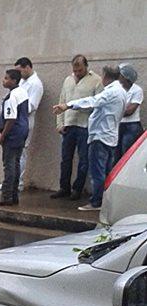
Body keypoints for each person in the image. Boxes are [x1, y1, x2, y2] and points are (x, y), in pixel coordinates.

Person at [53, 65, 126, 211]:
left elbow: (92, 101)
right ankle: (104, 200)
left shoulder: (111, 92)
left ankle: (96, 202)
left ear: (105, 77)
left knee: (97, 172)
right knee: (106, 171)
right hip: (110, 136)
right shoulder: (121, 91)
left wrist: (68, 105)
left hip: (100, 136)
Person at [51, 54, 103, 199]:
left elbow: (97, 104)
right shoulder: (68, 80)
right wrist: (59, 123)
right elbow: (62, 101)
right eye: (75, 71)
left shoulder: (96, 81)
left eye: (80, 70)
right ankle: (64, 187)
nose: (77, 73)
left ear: (86, 67)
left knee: (84, 159)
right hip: (68, 125)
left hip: (84, 126)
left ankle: (77, 189)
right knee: (65, 159)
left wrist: (79, 108)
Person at [0, 57, 43, 191]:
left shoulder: (35, 84)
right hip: (17, 122)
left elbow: (31, 105)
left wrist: (14, 107)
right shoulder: (21, 86)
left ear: (27, 67)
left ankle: (15, 184)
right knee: (12, 158)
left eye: (19, 71)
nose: (18, 75)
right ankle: (11, 183)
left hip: (21, 122)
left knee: (15, 157)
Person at [0, 68, 30, 206]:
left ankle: (6, 197)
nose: (4, 80)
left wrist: (2, 136)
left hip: (13, 134)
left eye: (7, 78)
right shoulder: (22, 92)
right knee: (16, 163)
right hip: (22, 132)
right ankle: (14, 196)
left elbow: (11, 118)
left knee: (8, 165)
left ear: (14, 81)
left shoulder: (12, 96)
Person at [116, 63, 143, 159]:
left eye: (119, 75)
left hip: (132, 126)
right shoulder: (117, 89)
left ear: (125, 77)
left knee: (127, 153)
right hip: (118, 125)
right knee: (116, 155)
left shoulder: (137, 90)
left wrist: (114, 111)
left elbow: (130, 111)